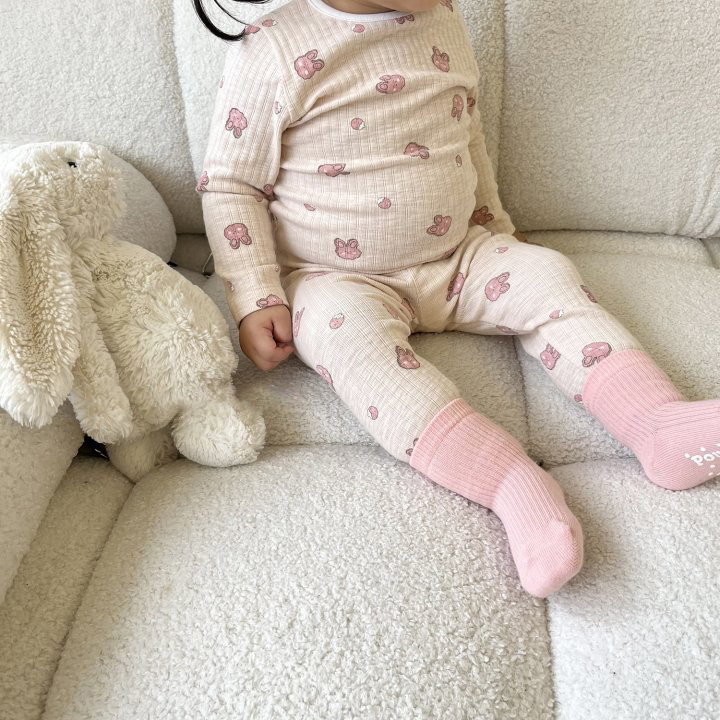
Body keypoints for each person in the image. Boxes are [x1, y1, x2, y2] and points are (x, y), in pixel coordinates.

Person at [194, 0, 720, 598]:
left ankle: (656, 424)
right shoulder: (273, 48)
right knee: (350, 346)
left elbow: (466, 135)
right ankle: (510, 484)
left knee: (546, 274)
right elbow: (231, 184)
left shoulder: (440, 16)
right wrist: (256, 295)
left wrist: (497, 229)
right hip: (332, 277)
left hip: (460, 257)